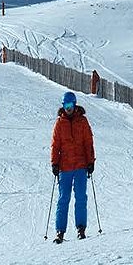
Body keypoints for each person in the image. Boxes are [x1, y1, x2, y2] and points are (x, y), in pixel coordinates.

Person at [50, 91, 95, 243]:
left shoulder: (82, 121)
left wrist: (90, 162)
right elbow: (55, 145)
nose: (68, 108)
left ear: (74, 105)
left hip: (81, 166)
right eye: (65, 105)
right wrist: (54, 163)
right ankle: (60, 231)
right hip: (65, 167)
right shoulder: (59, 123)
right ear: (63, 106)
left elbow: (88, 142)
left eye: (70, 105)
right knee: (63, 199)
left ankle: (81, 228)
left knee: (81, 197)